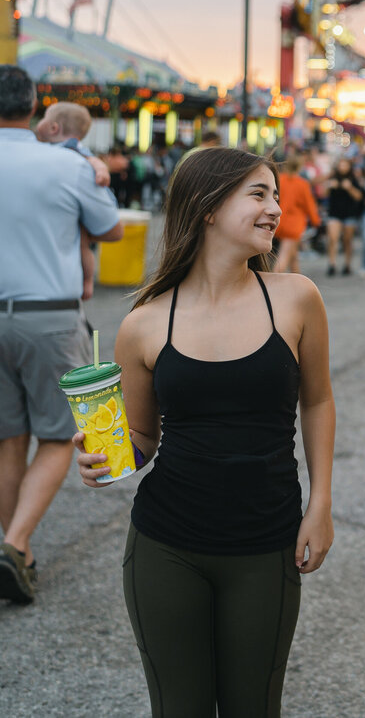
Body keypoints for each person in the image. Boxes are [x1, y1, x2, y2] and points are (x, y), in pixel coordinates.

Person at [72, 147, 335, 717]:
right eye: (259, 194)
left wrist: (321, 504)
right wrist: (104, 456)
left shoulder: (295, 298)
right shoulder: (143, 323)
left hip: (267, 543)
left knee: (254, 709)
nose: (275, 208)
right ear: (208, 207)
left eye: (276, 194)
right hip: (166, 545)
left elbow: (317, 401)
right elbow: (141, 440)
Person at [0, 66, 124, 605]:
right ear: (34, 108)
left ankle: (12, 552)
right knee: (56, 435)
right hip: (48, 314)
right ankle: (15, 542)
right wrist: (93, 170)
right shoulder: (65, 165)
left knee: (8, 438)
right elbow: (111, 229)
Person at [34, 101, 111, 300]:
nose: (38, 122)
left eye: (44, 117)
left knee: (83, 246)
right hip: (67, 205)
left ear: (53, 127)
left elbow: (92, 160)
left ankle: (87, 282)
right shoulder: (47, 147)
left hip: (75, 209)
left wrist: (102, 172)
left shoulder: (71, 147)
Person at [274, 155, 321, 274]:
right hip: (294, 224)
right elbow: (309, 205)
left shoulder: (280, 180)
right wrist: (316, 221)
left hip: (280, 220)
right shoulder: (302, 184)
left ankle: (297, 282)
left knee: (293, 256)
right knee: (284, 256)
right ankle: (272, 284)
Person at [323, 158, 363, 276]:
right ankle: (332, 264)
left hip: (349, 214)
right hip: (334, 213)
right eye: (341, 165)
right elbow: (323, 193)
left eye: (345, 165)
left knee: (347, 240)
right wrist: (329, 186)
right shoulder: (332, 177)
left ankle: (347, 264)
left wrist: (350, 188)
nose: (343, 167)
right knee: (333, 238)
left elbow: (359, 197)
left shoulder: (353, 179)